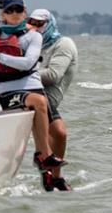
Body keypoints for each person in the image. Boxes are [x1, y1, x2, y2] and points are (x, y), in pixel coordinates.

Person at [0, 0, 71, 191]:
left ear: (24, 11)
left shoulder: (33, 36)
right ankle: (44, 157)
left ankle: (54, 179)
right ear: (2, 13)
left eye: (18, 9)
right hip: (8, 92)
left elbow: (29, 63)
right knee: (38, 103)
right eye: (9, 10)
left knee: (59, 133)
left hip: (34, 89)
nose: (14, 13)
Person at [28, 9, 78, 159]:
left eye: (40, 24)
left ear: (49, 24)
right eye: (32, 23)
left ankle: (52, 172)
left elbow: (53, 76)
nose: (35, 27)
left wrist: (22, 74)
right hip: (31, 93)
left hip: (46, 96)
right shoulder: (32, 44)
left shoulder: (64, 44)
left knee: (59, 134)